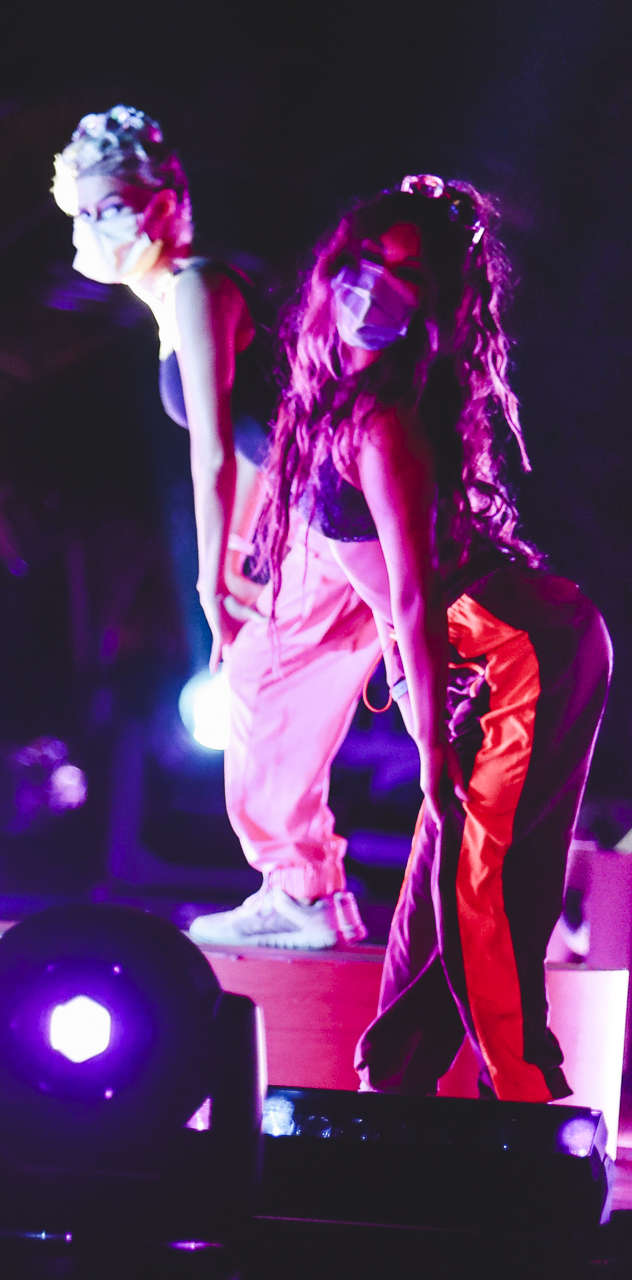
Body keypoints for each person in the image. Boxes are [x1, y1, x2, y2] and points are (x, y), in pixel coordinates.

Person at [257, 176, 611, 1101]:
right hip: (481, 659)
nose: (375, 286)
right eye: (367, 262)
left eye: (406, 277)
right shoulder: (337, 404)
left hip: (519, 649)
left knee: (482, 876)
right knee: (442, 878)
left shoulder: (381, 419)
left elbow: (412, 597)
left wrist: (425, 746)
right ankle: (394, 1083)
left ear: (437, 310)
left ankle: (525, 1090)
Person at [53, 106, 378, 949]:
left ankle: (305, 892)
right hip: (314, 512)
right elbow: (254, 445)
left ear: (164, 200)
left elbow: (213, 456)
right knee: (271, 689)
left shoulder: (197, 285)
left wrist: (211, 578)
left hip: (335, 509)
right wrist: (247, 556)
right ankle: (311, 891)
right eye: (83, 211)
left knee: (260, 687)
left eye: (113, 205)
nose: (96, 227)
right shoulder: (176, 299)